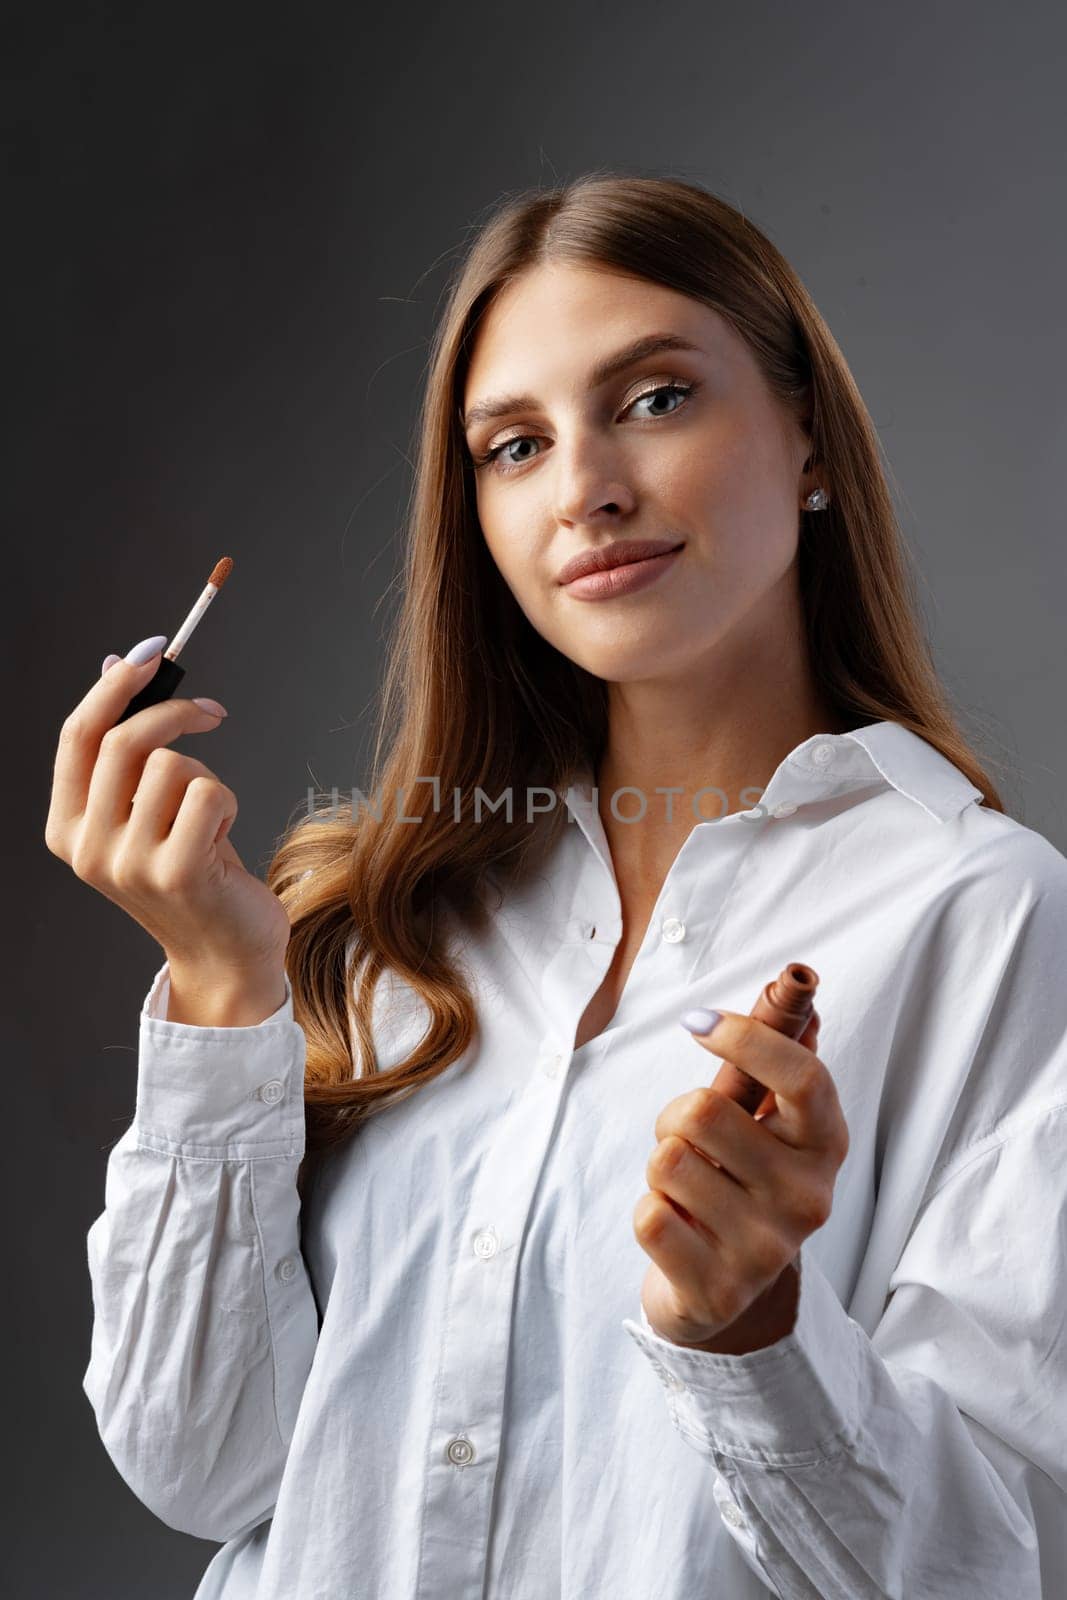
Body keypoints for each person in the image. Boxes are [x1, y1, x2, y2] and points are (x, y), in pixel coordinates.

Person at [47, 173, 1067, 1599]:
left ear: (811, 440)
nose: (584, 488)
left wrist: (754, 1337)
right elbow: (203, 1467)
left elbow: (980, 1571)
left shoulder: (985, 919)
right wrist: (221, 994)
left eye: (655, 399)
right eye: (513, 445)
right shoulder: (391, 917)